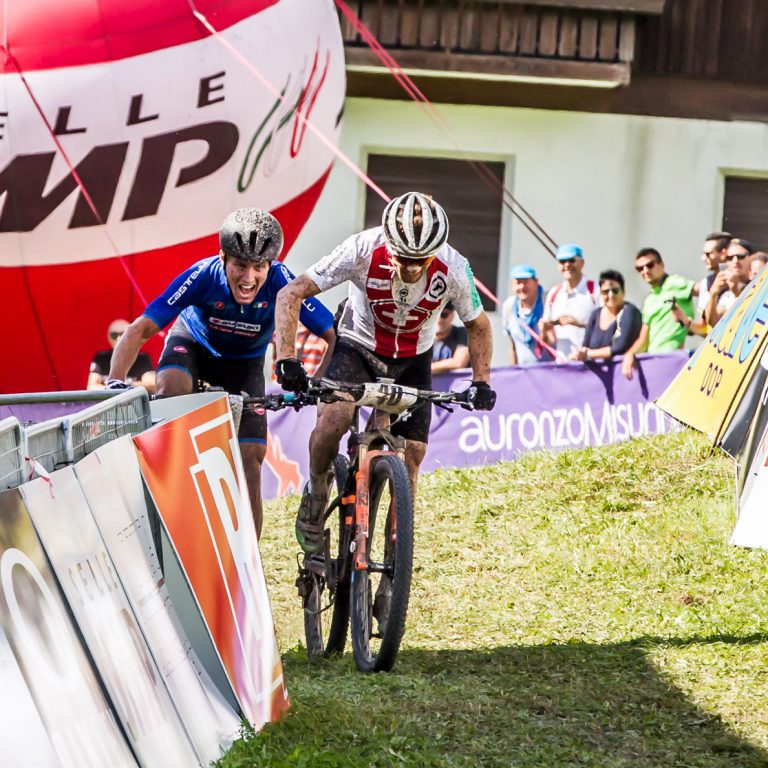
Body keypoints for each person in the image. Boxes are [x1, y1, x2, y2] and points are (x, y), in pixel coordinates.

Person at [273, 191, 496, 557]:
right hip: (357, 347)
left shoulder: (453, 266)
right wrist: (287, 358)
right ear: (387, 241)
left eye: (420, 261)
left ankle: (397, 549)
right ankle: (315, 495)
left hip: (413, 359)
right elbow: (291, 293)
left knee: (415, 452)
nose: (410, 268)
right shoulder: (361, 248)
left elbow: (479, 326)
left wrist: (481, 382)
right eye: (403, 258)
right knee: (334, 421)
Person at [106, 208, 335, 538]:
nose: (249, 277)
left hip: (245, 365)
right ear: (222, 257)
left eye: (259, 267)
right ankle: (167, 491)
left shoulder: (282, 280)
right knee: (172, 389)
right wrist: (115, 381)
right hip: (194, 347)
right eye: (240, 265)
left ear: (270, 265)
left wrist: (317, 382)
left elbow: (331, 335)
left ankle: (250, 563)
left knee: (252, 459)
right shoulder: (202, 275)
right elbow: (141, 329)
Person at [621, 248, 694, 380]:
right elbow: (644, 339)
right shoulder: (649, 300)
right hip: (654, 363)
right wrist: (629, 354)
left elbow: (705, 288)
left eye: (650, 265)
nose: (645, 271)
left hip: (674, 362)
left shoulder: (674, 282)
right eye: (640, 269)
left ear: (661, 264)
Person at [541, 244, 599, 358]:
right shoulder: (554, 293)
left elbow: (608, 327)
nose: (567, 265)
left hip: (592, 365)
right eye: (562, 261)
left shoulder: (595, 290)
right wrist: (544, 329)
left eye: (572, 260)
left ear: (582, 263)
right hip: (563, 367)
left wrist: (579, 324)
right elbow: (548, 341)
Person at [570, 270, 641, 362]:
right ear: (600, 293)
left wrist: (589, 354)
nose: (610, 295)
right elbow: (585, 346)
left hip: (623, 372)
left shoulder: (630, 311)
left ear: (623, 292)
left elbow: (621, 347)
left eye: (615, 291)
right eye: (605, 292)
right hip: (594, 374)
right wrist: (579, 354)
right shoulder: (595, 314)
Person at [501, 264, 552, 365]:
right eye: (518, 282)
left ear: (536, 282)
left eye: (526, 282)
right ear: (512, 285)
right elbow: (513, 345)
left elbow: (553, 342)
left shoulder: (547, 302)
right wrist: (513, 373)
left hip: (550, 371)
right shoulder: (509, 306)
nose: (522, 287)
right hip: (524, 374)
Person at [87, 318, 155, 392]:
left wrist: (121, 386)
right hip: (111, 402)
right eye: (114, 335)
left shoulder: (142, 358)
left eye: (123, 334)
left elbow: (152, 385)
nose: (119, 338)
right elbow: (91, 387)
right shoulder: (101, 357)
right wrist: (122, 388)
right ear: (108, 337)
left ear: (131, 335)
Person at [703, 238, 753, 328]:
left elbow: (753, 315)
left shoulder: (757, 283)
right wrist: (713, 293)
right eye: (730, 258)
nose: (735, 261)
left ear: (751, 258)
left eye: (740, 256)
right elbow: (714, 322)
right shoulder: (726, 289)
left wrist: (736, 291)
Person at [691, 231, 730, 336]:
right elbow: (705, 328)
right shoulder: (705, 283)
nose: (703, 259)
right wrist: (686, 323)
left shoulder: (739, 283)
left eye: (708, 254)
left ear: (723, 254)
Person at [431, 301, 469, 373]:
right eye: (434, 315)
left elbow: (459, 362)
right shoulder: (422, 337)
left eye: (443, 315)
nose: (439, 320)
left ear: (452, 315)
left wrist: (426, 369)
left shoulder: (462, 333)